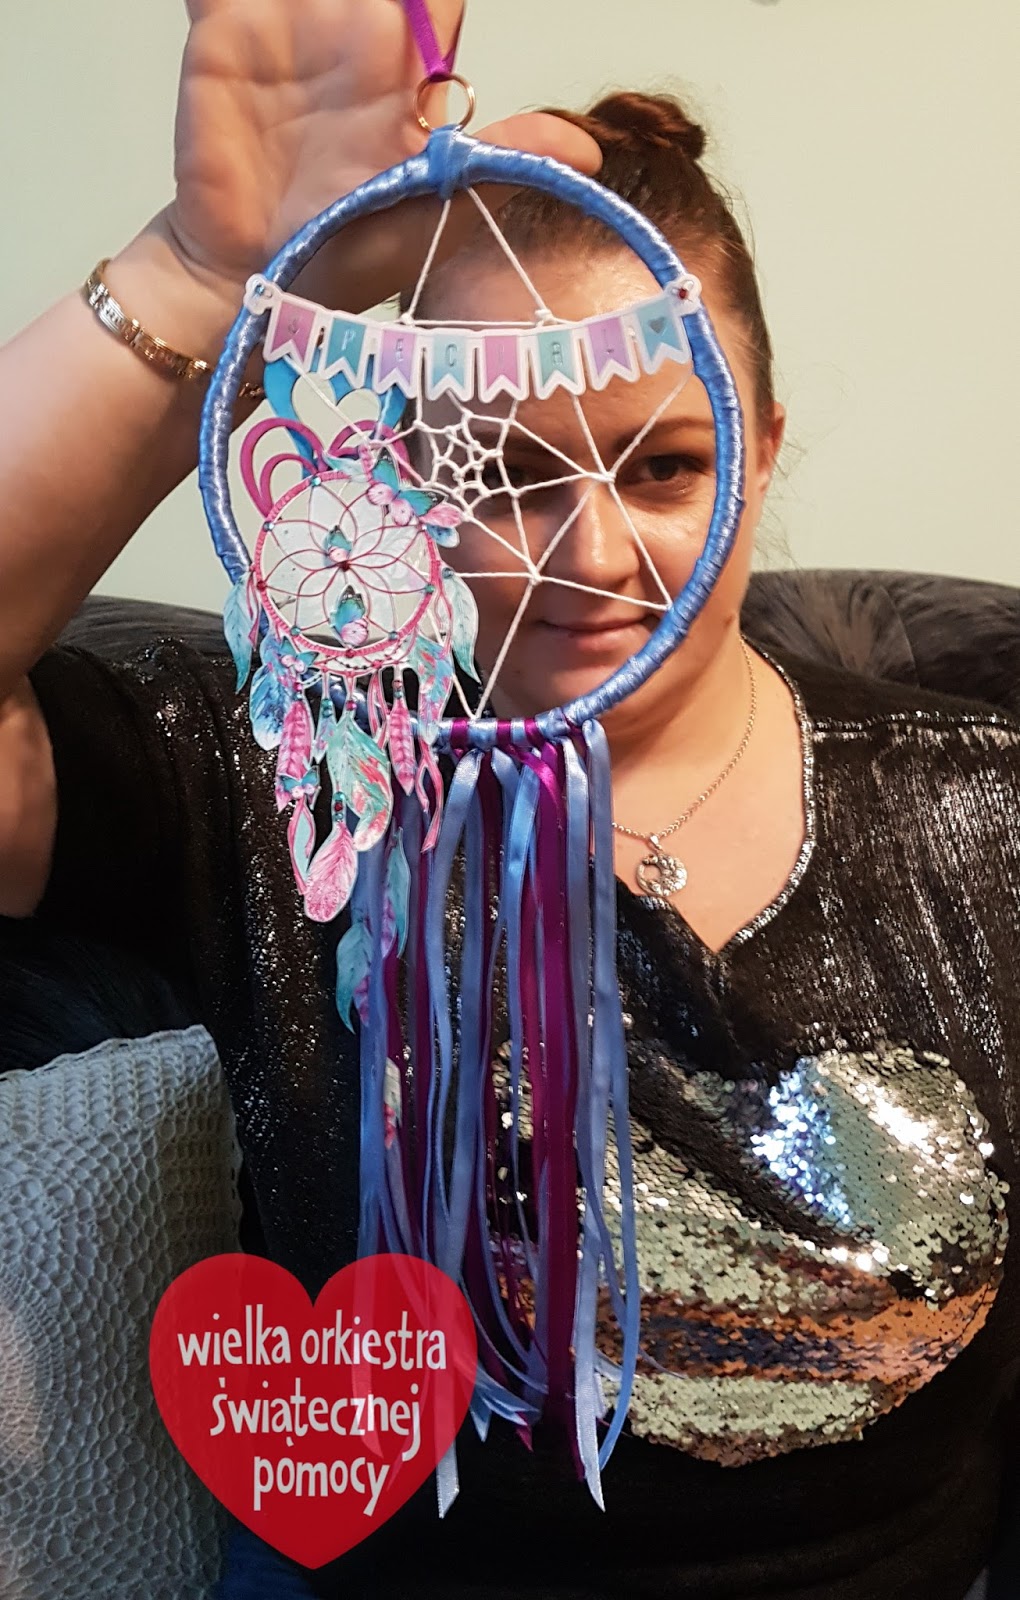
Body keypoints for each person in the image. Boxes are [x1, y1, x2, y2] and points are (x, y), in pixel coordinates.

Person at [0, 3, 1017, 1597]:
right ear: (405, 479)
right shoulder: (291, 781)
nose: (593, 559)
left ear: (762, 447)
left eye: (664, 467)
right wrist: (200, 271)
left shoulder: (988, 819)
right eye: (510, 475)